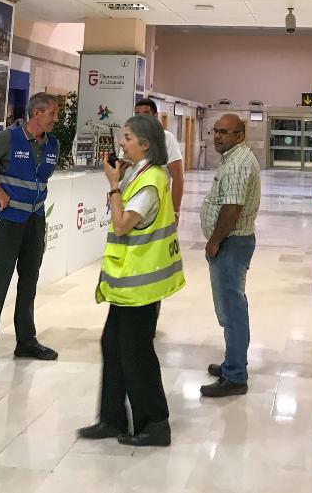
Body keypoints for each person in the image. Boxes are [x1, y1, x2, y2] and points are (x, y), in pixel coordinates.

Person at [78, 114, 184, 447]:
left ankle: (155, 423)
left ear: (145, 144)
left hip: (141, 285)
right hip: (129, 285)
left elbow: (123, 224)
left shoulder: (151, 180)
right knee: (112, 345)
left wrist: (113, 185)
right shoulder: (139, 174)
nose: (121, 142)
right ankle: (112, 419)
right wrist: (118, 180)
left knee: (136, 353)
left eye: (127, 137)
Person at [0, 92, 61, 375]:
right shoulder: (10, 138)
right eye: (52, 113)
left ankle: (26, 341)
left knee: (29, 282)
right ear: (38, 113)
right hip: (8, 221)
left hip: (35, 220)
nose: (56, 118)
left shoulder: (53, 143)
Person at [200, 114, 261, 398]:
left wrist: (214, 240)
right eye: (216, 131)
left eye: (224, 132)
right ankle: (232, 364)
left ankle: (236, 376)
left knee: (231, 311)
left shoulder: (236, 164)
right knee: (230, 308)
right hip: (232, 241)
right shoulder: (235, 158)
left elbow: (232, 208)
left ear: (240, 135)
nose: (217, 136)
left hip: (231, 243)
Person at [135, 98, 184, 219]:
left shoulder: (166, 138)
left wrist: (175, 211)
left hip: (159, 208)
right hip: (132, 207)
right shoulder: (130, 138)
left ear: (155, 116)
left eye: (145, 113)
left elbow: (178, 178)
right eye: (137, 114)